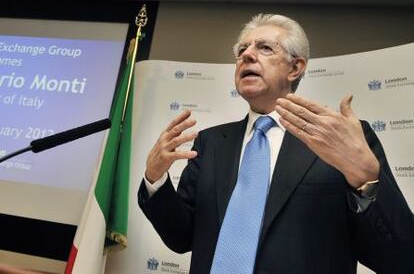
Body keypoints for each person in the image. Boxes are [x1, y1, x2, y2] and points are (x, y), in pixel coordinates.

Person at [138, 14, 414, 274]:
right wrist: (155, 179)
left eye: (265, 47)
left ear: (296, 67)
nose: (246, 54)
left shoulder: (341, 140)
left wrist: (366, 183)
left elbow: (397, 258)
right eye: (242, 49)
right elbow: (181, 237)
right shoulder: (210, 143)